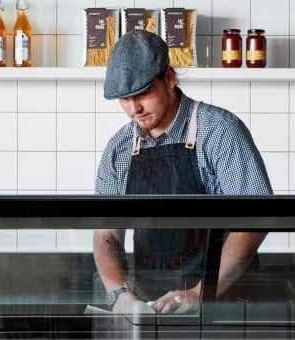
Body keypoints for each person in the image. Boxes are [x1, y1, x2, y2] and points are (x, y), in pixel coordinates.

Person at [93, 30, 272, 315]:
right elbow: (107, 235)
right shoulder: (120, 148)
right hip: (153, 311)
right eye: (125, 99)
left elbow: (254, 221)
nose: (134, 108)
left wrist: (200, 293)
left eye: (142, 93)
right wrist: (120, 295)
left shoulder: (219, 131)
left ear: (169, 78)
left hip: (221, 308)